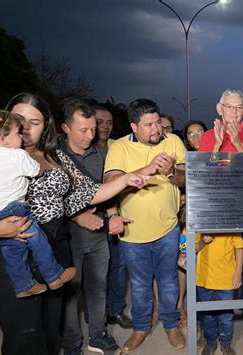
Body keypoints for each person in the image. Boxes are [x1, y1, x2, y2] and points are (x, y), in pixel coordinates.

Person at [0, 92, 147, 355]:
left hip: (56, 250)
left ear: (46, 126)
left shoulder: (54, 154)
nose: (28, 127)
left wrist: (128, 178)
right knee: (24, 337)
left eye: (36, 121)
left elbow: (89, 191)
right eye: (21, 120)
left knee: (53, 332)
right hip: (13, 254)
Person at [104, 98, 187, 353]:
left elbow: (186, 179)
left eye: (157, 123)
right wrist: (148, 169)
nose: (156, 130)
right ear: (133, 126)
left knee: (169, 281)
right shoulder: (119, 147)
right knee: (139, 285)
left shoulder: (173, 141)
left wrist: (172, 171)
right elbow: (111, 181)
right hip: (132, 232)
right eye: (148, 125)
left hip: (168, 229)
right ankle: (141, 329)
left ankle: (171, 325)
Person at [60, 99, 130, 354]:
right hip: (67, 238)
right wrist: (76, 217)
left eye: (93, 129)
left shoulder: (101, 153)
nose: (91, 135)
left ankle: (98, 335)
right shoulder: (54, 156)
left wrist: (113, 216)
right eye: (83, 130)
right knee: (71, 293)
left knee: (99, 287)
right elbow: (50, 201)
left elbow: (108, 191)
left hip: (98, 234)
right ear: (65, 127)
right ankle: (71, 342)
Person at [199, 88, 243, 335]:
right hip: (215, 208)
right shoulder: (208, 136)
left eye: (238, 108)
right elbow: (205, 173)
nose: (234, 113)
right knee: (212, 257)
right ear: (219, 108)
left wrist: (237, 141)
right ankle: (209, 314)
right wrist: (218, 142)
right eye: (229, 107)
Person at [0, 110, 76, 298]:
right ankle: (54, 274)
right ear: (4, 139)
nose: (22, 138)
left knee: (13, 251)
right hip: (16, 210)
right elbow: (36, 172)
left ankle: (23, 285)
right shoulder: (18, 155)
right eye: (17, 133)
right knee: (38, 241)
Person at [92, 104, 132, 329]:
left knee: (119, 265)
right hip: (91, 217)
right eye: (99, 122)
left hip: (117, 214)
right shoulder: (82, 150)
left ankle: (115, 310)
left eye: (108, 122)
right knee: (95, 271)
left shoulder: (118, 146)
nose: (104, 126)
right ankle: (94, 314)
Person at [196, 231, 243, 355]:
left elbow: (239, 248)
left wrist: (238, 273)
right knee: (207, 315)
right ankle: (210, 342)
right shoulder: (200, 222)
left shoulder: (230, 222)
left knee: (226, 316)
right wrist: (203, 242)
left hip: (226, 280)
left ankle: (226, 344)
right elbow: (191, 247)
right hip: (204, 279)